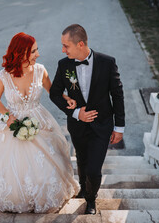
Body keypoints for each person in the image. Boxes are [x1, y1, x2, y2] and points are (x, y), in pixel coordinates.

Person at [0, 32, 79, 213]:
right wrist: (8, 116)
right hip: (12, 122)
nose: (38, 54)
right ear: (21, 53)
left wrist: (67, 98)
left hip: (39, 120)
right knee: (11, 169)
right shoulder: (2, 76)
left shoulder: (40, 70)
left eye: (37, 50)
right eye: (34, 51)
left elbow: (53, 91)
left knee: (45, 165)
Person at [50, 24, 125, 214]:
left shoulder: (107, 63)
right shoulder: (64, 64)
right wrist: (76, 114)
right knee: (82, 160)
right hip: (77, 126)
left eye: (66, 46)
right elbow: (55, 94)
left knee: (93, 168)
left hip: (102, 125)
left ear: (80, 44)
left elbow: (117, 95)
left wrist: (119, 127)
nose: (62, 50)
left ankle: (91, 200)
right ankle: (84, 189)